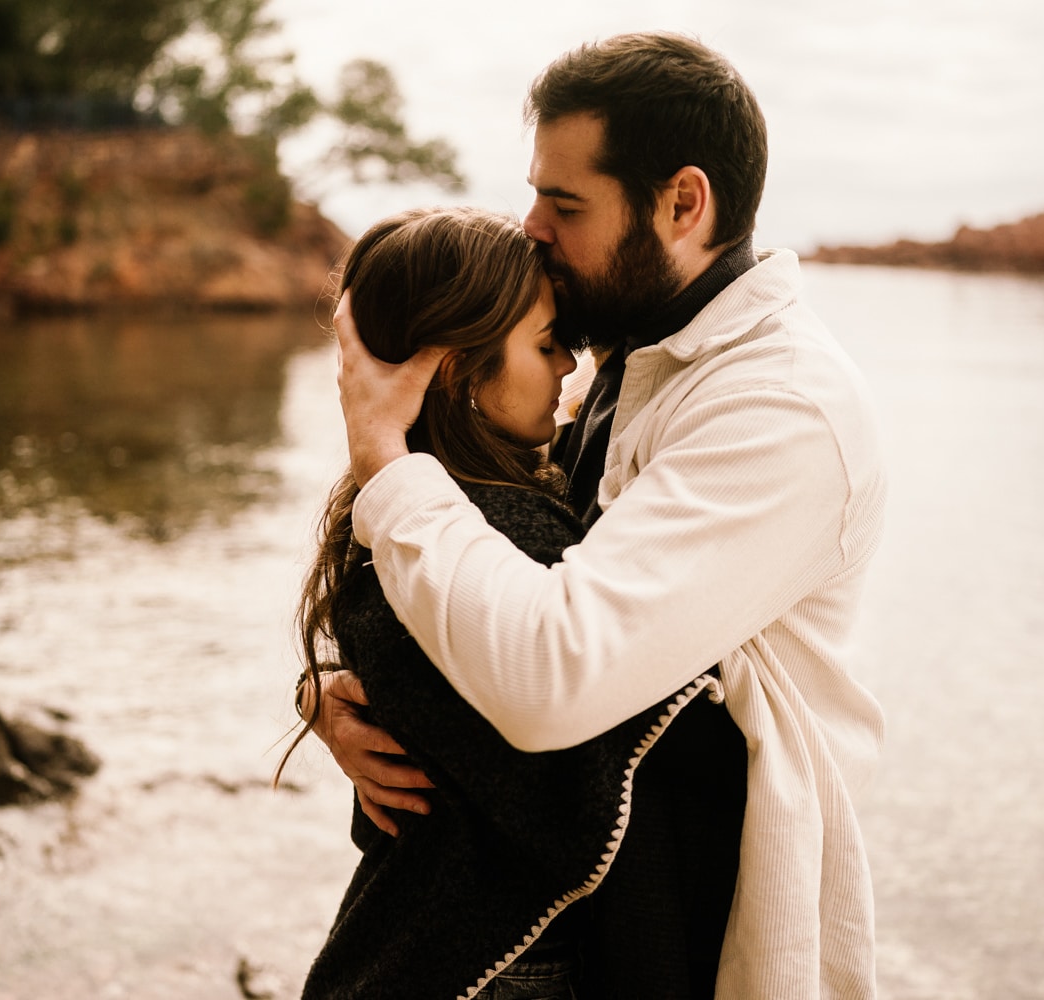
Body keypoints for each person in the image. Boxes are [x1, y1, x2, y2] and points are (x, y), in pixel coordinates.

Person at [321, 32, 888, 1000]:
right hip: (598, 917)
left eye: (565, 203)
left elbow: (552, 675)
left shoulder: (780, 408)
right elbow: (489, 557)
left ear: (682, 202)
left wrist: (383, 457)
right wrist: (356, 687)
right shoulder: (645, 355)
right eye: (536, 191)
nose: (532, 225)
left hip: (706, 924)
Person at [286, 206, 726, 999]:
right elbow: (578, 802)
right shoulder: (490, 535)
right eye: (546, 343)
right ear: (457, 368)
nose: (571, 366)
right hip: (503, 977)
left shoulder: (412, 517)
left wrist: (320, 690)